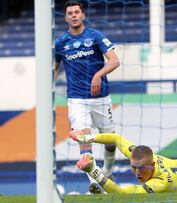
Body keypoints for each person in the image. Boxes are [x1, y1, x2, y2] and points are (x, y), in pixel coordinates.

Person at [54, 1, 120, 193]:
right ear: (66, 17)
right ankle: (95, 181)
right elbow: (54, 69)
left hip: (101, 98)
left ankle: (107, 171)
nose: (73, 15)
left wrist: (98, 75)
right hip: (76, 100)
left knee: (110, 142)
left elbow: (115, 61)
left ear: (83, 15)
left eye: (76, 12)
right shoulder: (60, 43)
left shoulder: (95, 35)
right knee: (84, 139)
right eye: (69, 13)